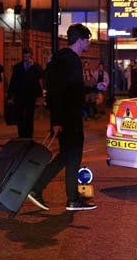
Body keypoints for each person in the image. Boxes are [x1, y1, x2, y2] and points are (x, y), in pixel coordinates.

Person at [27, 23, 97, 211]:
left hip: (63, 116)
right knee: (73, 156)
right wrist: (59, 120)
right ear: (80, 40)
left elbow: (55, 91)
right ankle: (72, 199)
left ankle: (36, 188)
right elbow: (67, 91)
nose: (88, 43)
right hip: (70, 117)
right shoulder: (71, 61)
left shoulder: (59, 60)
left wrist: (56, 119)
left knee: (65, 156)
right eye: (87, 40)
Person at [7, 47, 43, 138]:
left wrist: (33, 66)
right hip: (19, 94)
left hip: (31, 95)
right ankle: (21, 134)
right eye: (24, 55)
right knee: (20, 115)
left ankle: (29, 135)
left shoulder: (36, 66)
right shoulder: (18, 67)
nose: (26, 57)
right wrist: (10, 96)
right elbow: (13, 82)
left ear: (31, 56)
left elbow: (42, 75)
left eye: (28, 55)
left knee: (29, 115)